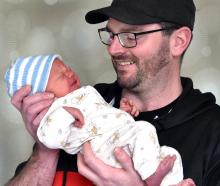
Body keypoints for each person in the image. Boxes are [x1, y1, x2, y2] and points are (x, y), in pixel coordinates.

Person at [5, 0, 220, 185]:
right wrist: (44, 153)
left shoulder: (212, 132)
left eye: (131, 35)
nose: (113, 49)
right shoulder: (80, 106)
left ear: (178, 42)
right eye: (112, 35)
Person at [5, 54, 183, 186]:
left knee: (169, 154)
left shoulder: (88, 95)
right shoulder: (57, 113)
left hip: (118, 139)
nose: (69, 73)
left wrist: (122, 113)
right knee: (144, 129)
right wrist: (45, 145)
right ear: (43, 95)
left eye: (67, 68)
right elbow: (50, 136)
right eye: (60, 75)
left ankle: (171, 182)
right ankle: (152, 178)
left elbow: (103, 119)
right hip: (105, 151)